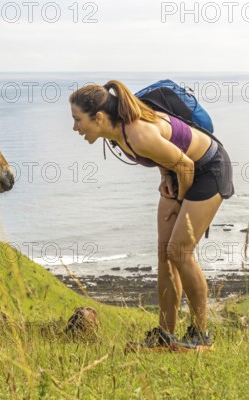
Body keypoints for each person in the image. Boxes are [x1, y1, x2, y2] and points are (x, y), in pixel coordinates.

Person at [69, 80, 234, 351]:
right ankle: (165, 334)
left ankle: (201, 336)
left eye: (77, 120)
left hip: (208, 170)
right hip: (180, 171)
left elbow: (187, 164)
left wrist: (179, 201)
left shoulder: (137, 134)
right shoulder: (118, 133)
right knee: (164, 253)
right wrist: (165, 175)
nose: (75, 128)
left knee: (179, 250)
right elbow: (168, 151)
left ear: (98, 118)